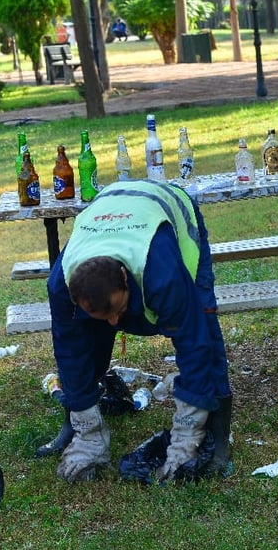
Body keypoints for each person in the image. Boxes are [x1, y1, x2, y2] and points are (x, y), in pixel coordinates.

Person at [46, 179, 231, 483]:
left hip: (166, 211)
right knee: (85, 340)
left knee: (204, 324)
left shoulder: (164, 276)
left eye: (118, 311)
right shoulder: (60, 286)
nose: (115, 325)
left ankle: (217, 431)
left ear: (124, 277)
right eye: (104, 316)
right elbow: (70, 351)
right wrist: (84, 420)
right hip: (111, 210)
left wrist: (185, 437)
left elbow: (195, 345)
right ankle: (83, 430)